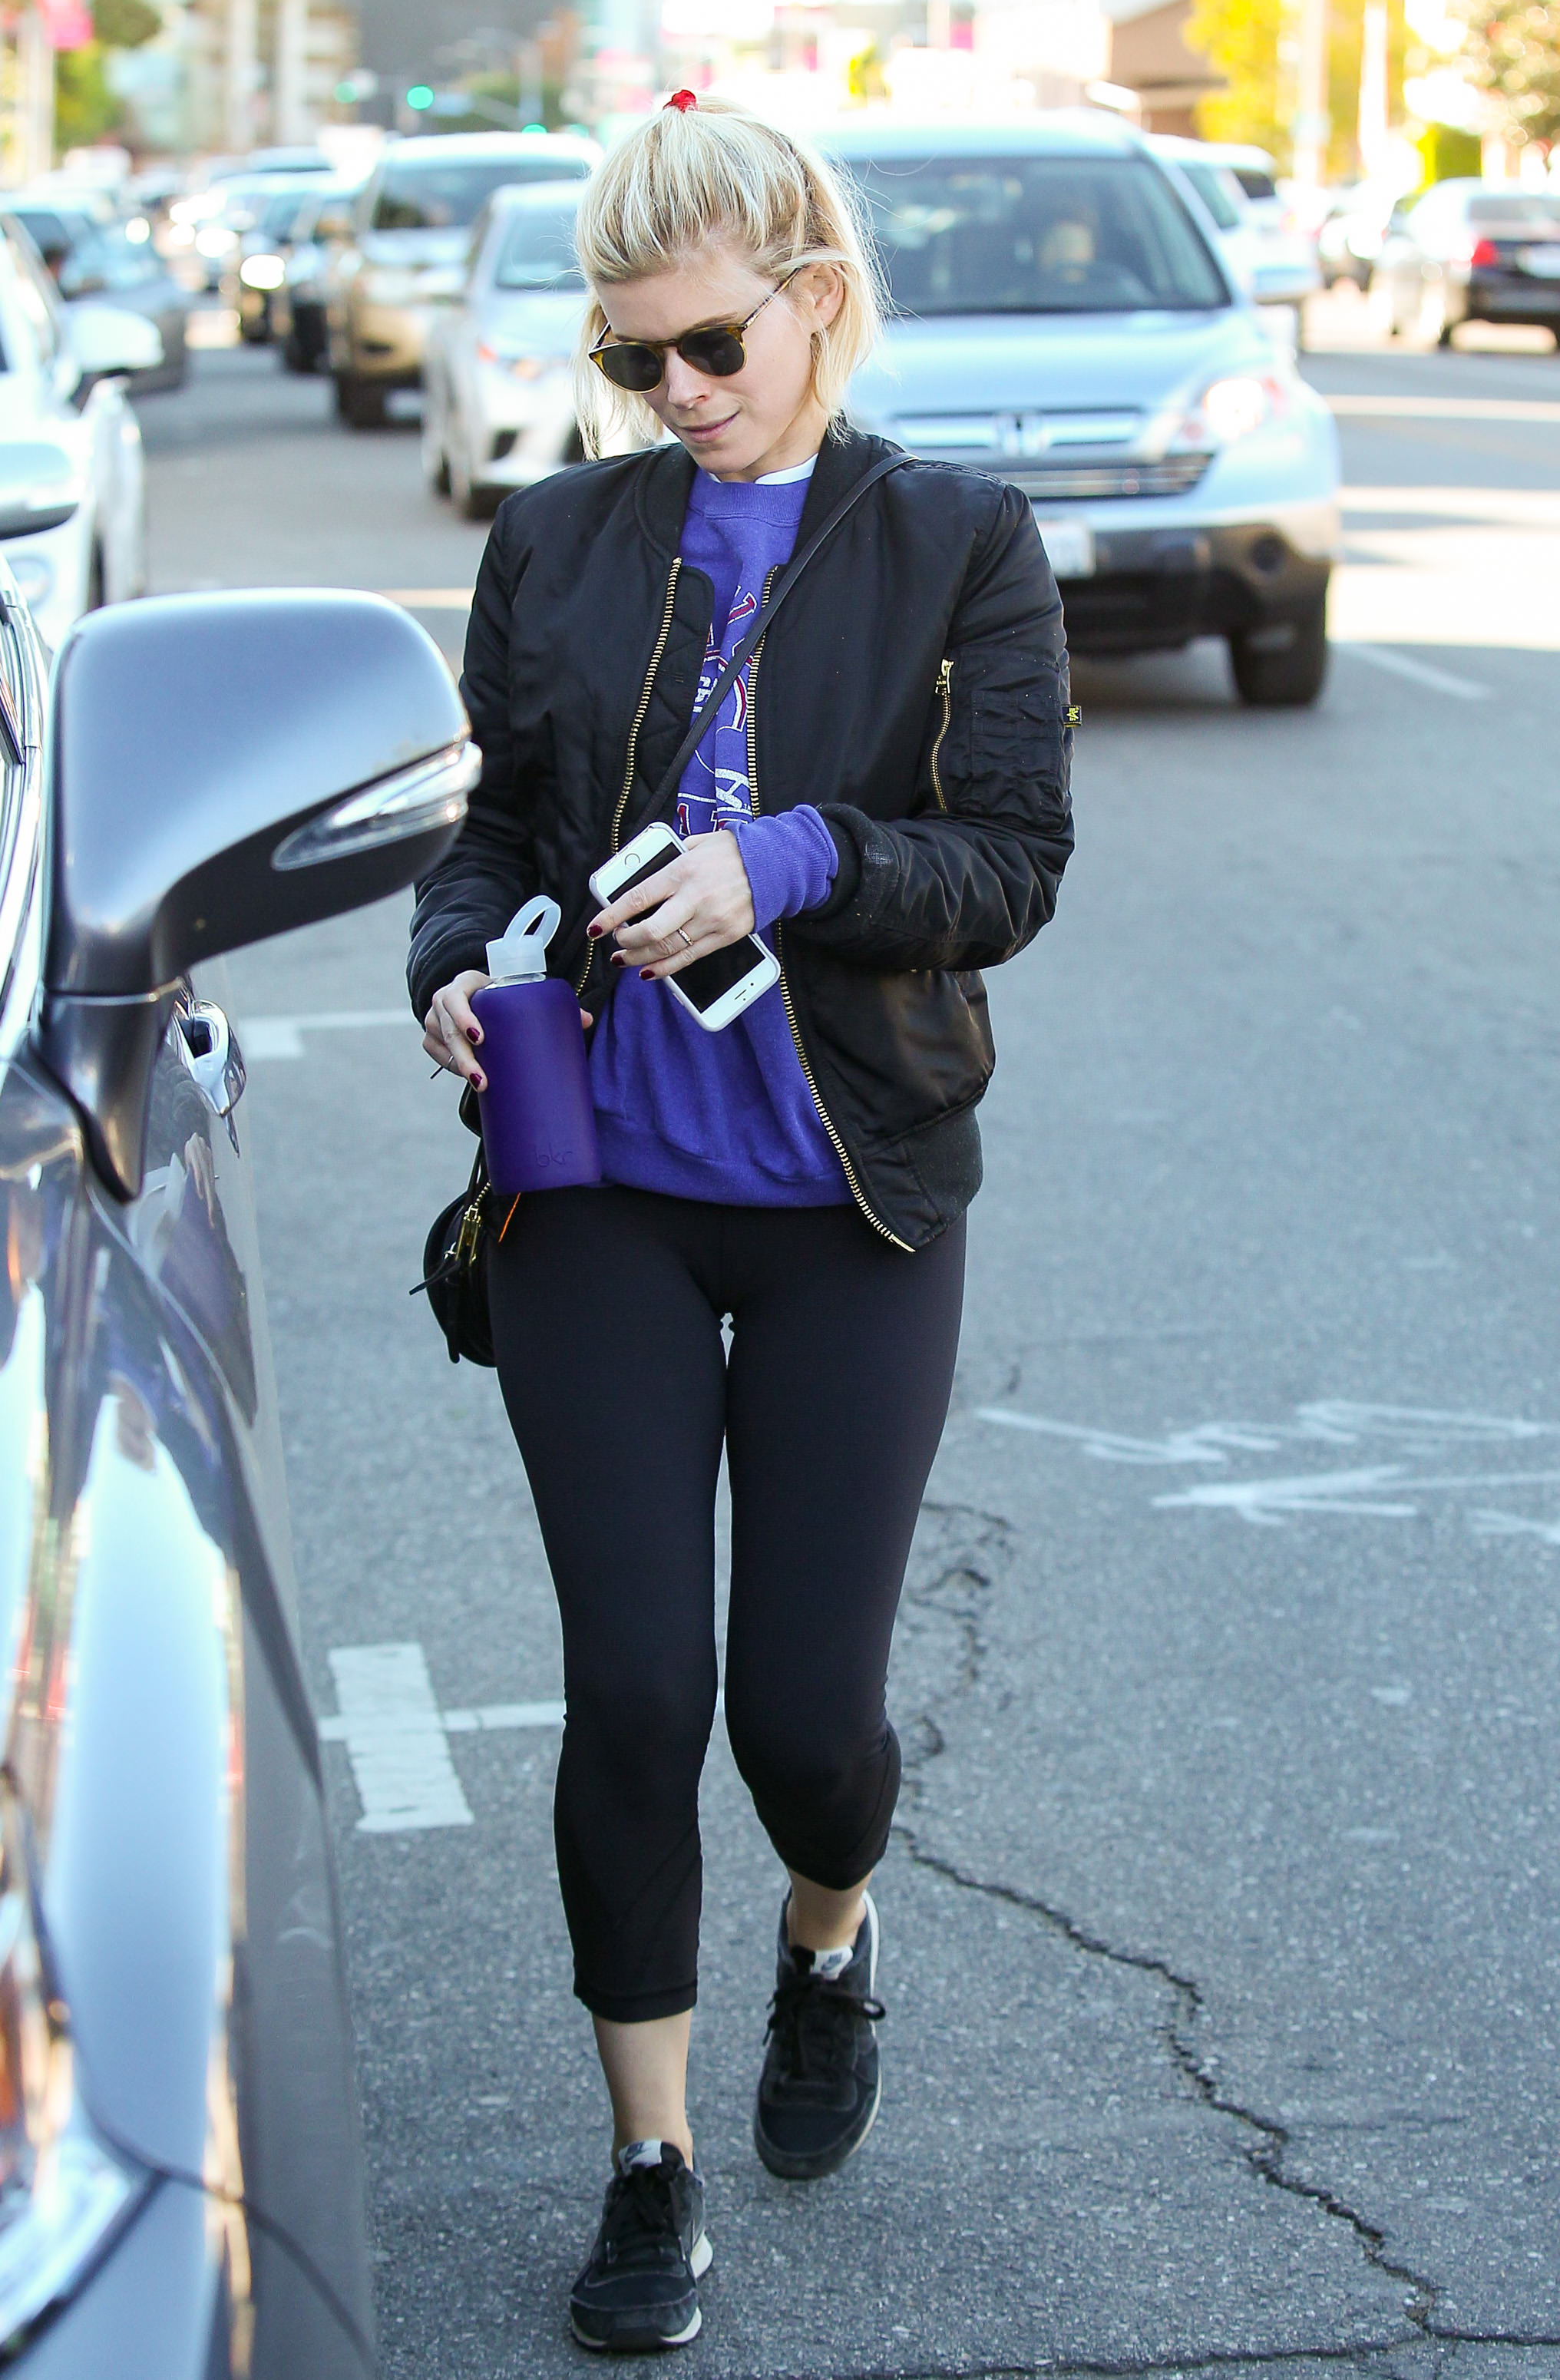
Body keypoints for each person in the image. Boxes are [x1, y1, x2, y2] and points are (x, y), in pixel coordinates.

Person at [409, 91, 1073, 2355]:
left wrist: (789, 861)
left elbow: (1011, 861)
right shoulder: (560, 538)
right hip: (596, 1185)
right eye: (631, 358)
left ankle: (829, 1932)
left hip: (846, 1196)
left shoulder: (960, 537)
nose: (673, 393)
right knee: (632, 1690)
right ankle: (650, 2163)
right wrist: (452, 969)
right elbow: (494, 829)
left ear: (815, 303)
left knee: (806, 1719)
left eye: (709, 345)